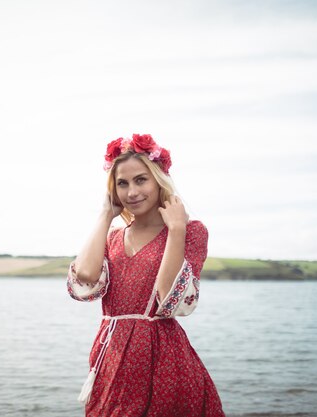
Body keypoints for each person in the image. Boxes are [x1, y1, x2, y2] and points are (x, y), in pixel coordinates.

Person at [67, 134, 226, 417]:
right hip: (113, 355)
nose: (131, 192)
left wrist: (176, 230)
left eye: (141, 180)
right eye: (122, 183)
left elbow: (169, 300)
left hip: (162, 357)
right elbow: (86, 277)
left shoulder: (191, 232)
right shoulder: (113, 237)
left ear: (158, 181)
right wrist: (105, 214)